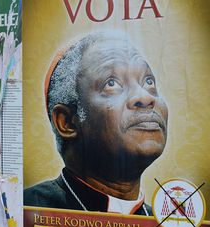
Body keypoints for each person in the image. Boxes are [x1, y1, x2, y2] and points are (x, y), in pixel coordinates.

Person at [24, 30, 169, 216]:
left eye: (148, 81)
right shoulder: (26, 211)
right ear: (66, 122)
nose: (145, 96)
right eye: (111, 83)